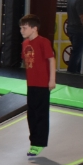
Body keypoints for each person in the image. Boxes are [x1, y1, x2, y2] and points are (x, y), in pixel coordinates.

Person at [19, 15, 56, 157]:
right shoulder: (25, 44)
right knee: (32, 114)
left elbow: (51, 60)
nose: (22, 30)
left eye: (24, 28)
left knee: (41, 114)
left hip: (42, 84)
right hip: (32, 84)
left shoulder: (43, 42)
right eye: (21, 28)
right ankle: (33, 141)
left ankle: (39, 143)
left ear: (34, 29)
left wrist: (51, 80)